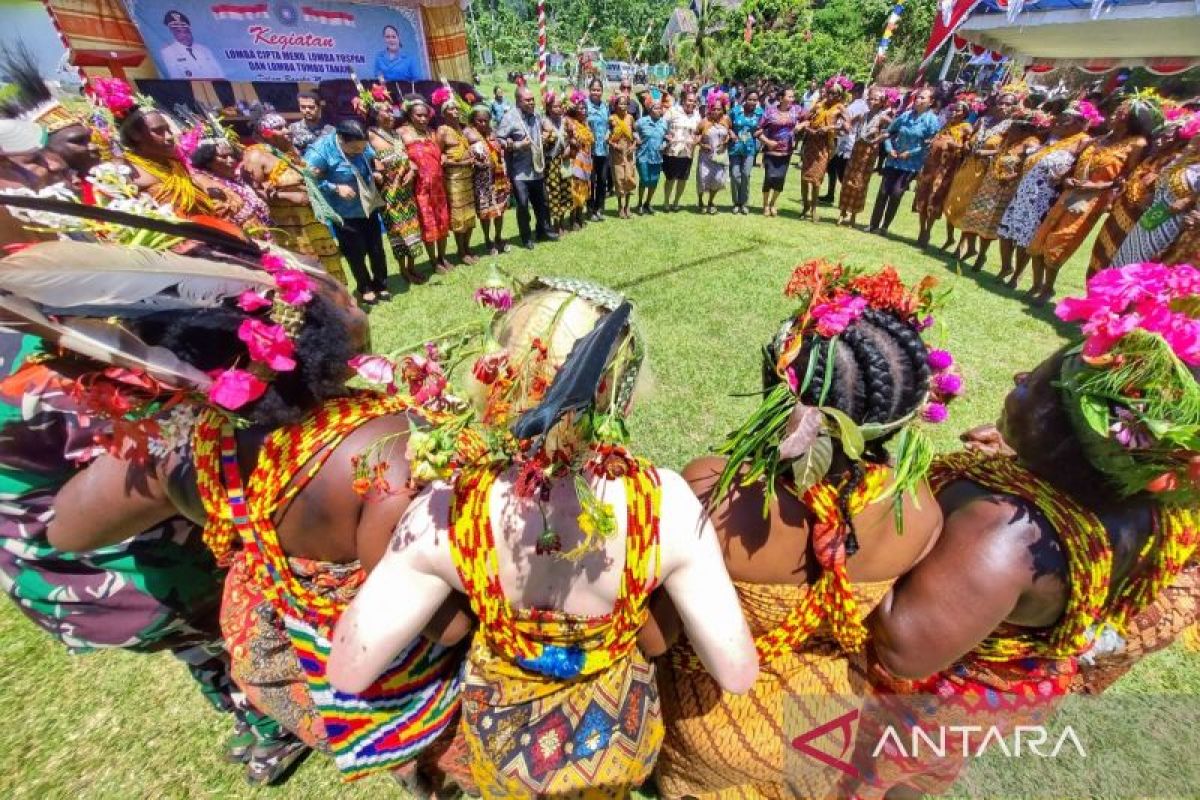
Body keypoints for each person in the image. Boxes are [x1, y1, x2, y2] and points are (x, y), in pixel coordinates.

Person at [28, 239, 475, 793]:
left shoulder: (188, 450)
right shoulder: (387, 446)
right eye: (339, 295)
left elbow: (66, 528)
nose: (355, 302)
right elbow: (447, 625)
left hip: (302, 664)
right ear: (306, 333)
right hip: (395, 668)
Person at [328, 278, 759, 797]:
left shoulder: (448, 510)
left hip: (506, 749)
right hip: (615, 749)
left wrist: (460, 613)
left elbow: (351, 671)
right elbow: (734, 671)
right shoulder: (663, 504)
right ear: (618, 389)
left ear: (502, 376)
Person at [849, 263, 1200, 797]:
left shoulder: (1004, 533)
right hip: (1002, 698)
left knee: (871, 778)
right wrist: (1028, 453)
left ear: (1066, 437)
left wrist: (887, 502)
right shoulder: (1156, 500)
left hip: (928, 704)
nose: (1016, 381)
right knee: (920, 780)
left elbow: (904, 649)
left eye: (1032, 385)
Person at [0, 240, 305, 784]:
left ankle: (251, 722)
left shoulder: (29, 305)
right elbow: (157, 457)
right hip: (118, 566)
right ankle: (273, 725)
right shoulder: (36, 358)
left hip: (75, 570)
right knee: (227, 633)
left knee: (200, 645)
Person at [653, 262, 950, 799]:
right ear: (906, 414)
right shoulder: (921, 507)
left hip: (715, 726)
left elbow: (663, 631)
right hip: (823, 731)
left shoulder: (715, 490)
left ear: (777, 393)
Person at [1026, 96, 1154, 304]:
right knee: (1042, 236)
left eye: (1121, 112)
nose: (1115, 114)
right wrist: (1067, 178)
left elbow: (1126, 180)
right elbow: (1076, 162)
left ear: (1132, 119)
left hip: (1091, 201)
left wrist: (1095, 187)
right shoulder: (1101, 138)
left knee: (1059, 240)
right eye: (1117, 110)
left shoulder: (1136, 144)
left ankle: (1048, 289)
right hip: (1070, 192)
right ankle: (1037, 284)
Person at [995, 103, 1095, 288]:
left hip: (1044, 196)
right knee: (1007, 230)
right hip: (1025, 190)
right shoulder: (1054, 138)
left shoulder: (1083, 141)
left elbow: (1080, 168)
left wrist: (1066, 176)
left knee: (1025, 237)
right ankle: (1006, 267)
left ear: (1080, 123)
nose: (1060, 121)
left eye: (1067, 119)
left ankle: (1016, 275)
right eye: (1061, 116)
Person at [242, 108, 346, 283]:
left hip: (312, 220)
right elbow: (253, 191)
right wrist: (287, 197)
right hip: (290, 228)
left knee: (327, 264)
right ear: (265, 133)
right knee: (307, 270)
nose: (286, 130)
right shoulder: (256, 155)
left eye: (286, 126)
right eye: (280, 128)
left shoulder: (288, 152)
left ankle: (341, 304)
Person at [306, 119, 392, 304]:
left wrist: (376, 172)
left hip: (367, 206)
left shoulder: (361, 143)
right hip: (343, 213)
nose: (359, 152)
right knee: (356, 252)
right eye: (354, 150)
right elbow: (307, 180)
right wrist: (335, 187)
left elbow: (371, 158)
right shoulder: (320, 151)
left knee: (376, 249)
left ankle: (381, 284)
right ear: (341, 140)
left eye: (362, 148)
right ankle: (365, 287)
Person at [1088, 119, 1190, 274]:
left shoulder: (1173, 162)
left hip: (1135, 220)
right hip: (1119, 211)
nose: (1161, 139)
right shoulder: (1152, 156)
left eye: (1167, 137)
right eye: (1160, 135)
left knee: (1113, 262)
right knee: (1099, 253)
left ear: (1178, 142)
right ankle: (1090, 293)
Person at [956, 111, 1047, 273]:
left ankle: (982, 256)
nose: (1009, 130)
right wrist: (982, 153)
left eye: (1013, 127)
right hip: (988, 185)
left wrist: (1011, 177)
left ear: (1024, 130)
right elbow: (997, 155)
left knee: (988, 225)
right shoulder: (1008, 141)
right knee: (972, 218)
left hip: (1004, 190)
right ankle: (971, 248)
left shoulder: (1029, 144)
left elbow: (1027, 166)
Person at [944, 92, 1020, 262]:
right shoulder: (984, 121)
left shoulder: (1011, 126)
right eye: (1001, 102)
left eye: (1008, 104)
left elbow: (1008, 150)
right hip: (968, 166)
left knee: (971, 208)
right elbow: (970, 138)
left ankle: (964, 247)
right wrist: (965, 145)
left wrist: (986, 152)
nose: (1003, 106)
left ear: (1014, 107)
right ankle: (952, 239)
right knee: (954, 202)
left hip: (987, 171)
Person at [1111, 130, 1200, 267]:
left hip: (1171, 225)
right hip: (1151, 218)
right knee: (1122, 262)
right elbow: (1164, 176)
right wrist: (1190, 148)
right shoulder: (1190, 163)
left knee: (1141, 267)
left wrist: (1189, 199)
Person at [364, 91, 426, 285]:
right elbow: (365, 161)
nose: (391, 114)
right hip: (389, 193)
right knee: (398, 233)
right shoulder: (371, 136)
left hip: (406, 191)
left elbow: (410, 160)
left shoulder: (396, 135)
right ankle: (402, 270)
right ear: (375, 114)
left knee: (412, 230)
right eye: (386, 111)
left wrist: (412, 171)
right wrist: (376, 170)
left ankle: (412, 266)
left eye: (392, 111)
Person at [869, 87, 940, 235]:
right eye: (918, 97)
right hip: (893, 160)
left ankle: (884, 227)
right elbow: (888, 132)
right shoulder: (906, 116)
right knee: (883, 192)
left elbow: (929, 145)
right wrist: (889, 149)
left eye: (923, 98)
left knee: (896, 194)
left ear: (931, 102)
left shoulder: (932, 121)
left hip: (911, 164)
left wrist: (911, 153)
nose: (918, 100)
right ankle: (873, 225)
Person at [495, 86, 557, 249]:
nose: (531, 102)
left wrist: (546, 132)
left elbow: (545, 124)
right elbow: (498, 140)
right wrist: (517, 145)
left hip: (536, 168)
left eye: (532, 99)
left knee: (542, 202)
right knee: (522, 204)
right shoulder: (510, 118)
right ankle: (526, 237)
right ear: (518, 101)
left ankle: (543, 230)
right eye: (527, 100)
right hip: (519, 171)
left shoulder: (536, 115)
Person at [398, 96, 451, 271]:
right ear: (410, 115)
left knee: (442, 221)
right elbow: (397, 155)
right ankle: (433, 261)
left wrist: (442, 155)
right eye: (418, 115)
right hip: (420, 188)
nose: (422, 119)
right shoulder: (402, 133)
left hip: (438, 186)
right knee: (428, 224)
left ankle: (443, 257)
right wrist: (408, 164)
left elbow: (439, 153)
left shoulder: (432, 133)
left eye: (425, 116)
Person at [912, 100, 973, 248]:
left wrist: (956, 146)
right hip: (930, 167)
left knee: (935, 198)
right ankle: (921, 230)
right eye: (952, 110)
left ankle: (928, 231)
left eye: (957, 110)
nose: (953, 113)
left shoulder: (966, 128)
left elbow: (968, 149)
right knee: (923, 196)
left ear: (964, 113)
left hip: (946, 171)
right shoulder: (946, 125)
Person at [191, 138, 272, 238]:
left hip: (263, 232)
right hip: (241, 239)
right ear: (208, 161)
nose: (231, 160)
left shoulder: (237, 179)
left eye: (232, 156)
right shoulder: (203, 182)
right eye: (223, 157)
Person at [434, 89, 478, 266]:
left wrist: (472, 158)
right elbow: (440, 158)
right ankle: (461, 252)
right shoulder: (443, 131)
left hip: (468, 177)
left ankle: (467, 247)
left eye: (457, 108)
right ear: (444, 113)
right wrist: (460, 163)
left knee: (469, 214)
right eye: (451, 109)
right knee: (459, 216)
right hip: (454, 180)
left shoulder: (460, 129)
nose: (455, 111)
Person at [837, 86, 892, 228]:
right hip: (856, 150)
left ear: (881, 102)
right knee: (848, 180)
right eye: (870, 99)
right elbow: (849, 123)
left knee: (860, 183)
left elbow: (890, 132)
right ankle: (842, 212)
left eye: (875, 99)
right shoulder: (863, 114)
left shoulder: (884, 117)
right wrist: (846, 124)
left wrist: (877, 139)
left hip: (869, 153)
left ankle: (853, 215)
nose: (872, 101)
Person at [798, 78, 848, 222]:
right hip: (810, 143)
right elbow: (805, 119)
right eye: (829, 92)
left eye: (834, 94)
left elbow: (847, 126)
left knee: (816, 179)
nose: (830, 96)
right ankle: (805, 205)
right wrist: (808, 129)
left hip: (824, 146)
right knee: (804, 177)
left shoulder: (840, 108)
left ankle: (814, 208)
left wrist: (830, 127)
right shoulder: (819, 104)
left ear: (839, 96)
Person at [466, 105, 511, 256]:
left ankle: (498, 237)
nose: (483, 124)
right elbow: (466, 155)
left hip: (498, 178)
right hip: (482, 181)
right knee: (486, 213)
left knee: (500, 211)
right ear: (473, 120)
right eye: (479, 121)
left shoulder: (493, 133)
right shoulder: (468, 134)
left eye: (486, 121)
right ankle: (487, 240)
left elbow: (500, 154)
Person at [756, 87, 802, 216]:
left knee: (780, 179)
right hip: (771, 151)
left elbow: (808, 119)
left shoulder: (796, 110)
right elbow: (758, 130)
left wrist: (800, 126)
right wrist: (768, 142)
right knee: (769, 178)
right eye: (789, 97)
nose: (792, 99)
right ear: (781, 98)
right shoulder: (770, 112)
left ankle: (773, 203)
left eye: (793, 97)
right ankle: (765, 205)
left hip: (786, 151)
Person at [825, 82, 869, 203]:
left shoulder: (856, 106)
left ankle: (846, 197)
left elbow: (849, 123)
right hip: (846, 141)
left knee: (842, 172)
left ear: (857, 92)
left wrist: (837, 126)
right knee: (834, 167)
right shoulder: (861, 105)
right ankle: (831, 195)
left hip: (847, 142)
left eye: (853, 92)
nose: (851, 94)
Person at [662, 91, 701, 213]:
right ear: (683, 100)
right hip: (672, 152)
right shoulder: (673, 111)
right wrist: (665, 135)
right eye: (690, 100)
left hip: (688, 152)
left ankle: (676, 202)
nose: (692, 103)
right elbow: (662, 125)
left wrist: (697, 140)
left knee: (683, 179)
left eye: (694, 101)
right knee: (670, 178)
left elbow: (699, 131)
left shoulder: (697, 115)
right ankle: (666, 201)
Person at [542, 91, 574, 233]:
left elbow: (572, 138)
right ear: (548, 108)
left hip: (565, 161)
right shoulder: (544, 122)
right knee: (554, 192)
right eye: (555, 106)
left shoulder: (565, 121)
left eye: (560, 106)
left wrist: (569, 147)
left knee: (565, 190)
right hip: (551, 163)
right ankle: (555, 223)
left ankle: (562, 221)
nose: (558, 109)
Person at [159, 10, 223, 79]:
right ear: (172, 32)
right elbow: (176, 81)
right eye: (179, 31)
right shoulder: (167, 53)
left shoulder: (204, 49)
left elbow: (221, 75)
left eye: (186, 31)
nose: (184, 35)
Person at [695, 90, 730, 214]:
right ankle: (700, 200)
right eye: (713, 109)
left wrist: (726, 141)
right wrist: (702, 144)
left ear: (723, 109)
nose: (716, 111)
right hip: (705, 156)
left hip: (720, 156)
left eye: (719, 109)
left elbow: (729, 133)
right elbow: (696, 136)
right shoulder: (704, 121)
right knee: (703, 179)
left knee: (717, 180)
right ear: (709, 108)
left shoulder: (726, 120)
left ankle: (710, 201)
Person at [727, 89, 762, 215]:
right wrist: (731, 132)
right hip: (735, 148)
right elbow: (727, 124)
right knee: (735, 176)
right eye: (750, 99)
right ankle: (736, 203)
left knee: (746, 174)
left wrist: (760, 131)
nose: (752, 102)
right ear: (745, 99)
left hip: (749, 148)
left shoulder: (759, 113)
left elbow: (764, 126)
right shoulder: (735, 111)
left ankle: (744, 204)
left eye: (755, 100)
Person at [565, 90, 595, 231]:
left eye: (585, 108)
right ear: (574, 109)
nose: (583, 110)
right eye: (580, 107)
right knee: (574, 189)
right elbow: (568, 139)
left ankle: (579, 216)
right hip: (575, 160)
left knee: (584, 188)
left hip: (587, 161)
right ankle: (572, 219)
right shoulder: (570, 122)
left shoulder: (586, 123)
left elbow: (590, 141)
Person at [634, 98, 668, 215]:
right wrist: (636, 137)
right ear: (650, 109)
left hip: (657, 157)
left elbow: (666, 137)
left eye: (660, 108)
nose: (659, 110)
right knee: (644, 180)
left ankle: (647, 203)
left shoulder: (664, 123)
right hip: (643, 156)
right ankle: (639, 203)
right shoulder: (642, 121)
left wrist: (665, 144)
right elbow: (633, 129)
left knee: (654, 181)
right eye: (656, 108)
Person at [584, 78, 610, 221]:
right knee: (590, 181)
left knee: (603, 180)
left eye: (598, 90)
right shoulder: (585, 105)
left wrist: (608, 133)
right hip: (590, 151)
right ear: (590, 90)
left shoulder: (605, 106)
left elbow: (608, 125)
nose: (596, 92)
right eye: (593, 89)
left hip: (603, 150)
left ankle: (599, 208)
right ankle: (590, 208)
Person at [608, 94, 638, 219]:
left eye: (625, 103)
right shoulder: (612, 119)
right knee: (619, 180)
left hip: (629, 154)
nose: (623, 106)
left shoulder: (630, 118)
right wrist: (615, 146)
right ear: (615, 105)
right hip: (617, 154)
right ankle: (620, 207)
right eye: (620, 103)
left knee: (629, 179)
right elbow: (607, 138)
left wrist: (634, 145)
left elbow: (635, 134)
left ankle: (628, 207)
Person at [288, 90, 333, 155]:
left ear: (319, 107)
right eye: (303, 107)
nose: (307, 110)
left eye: (311, 107)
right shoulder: (293, 128)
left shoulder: (330, 130)